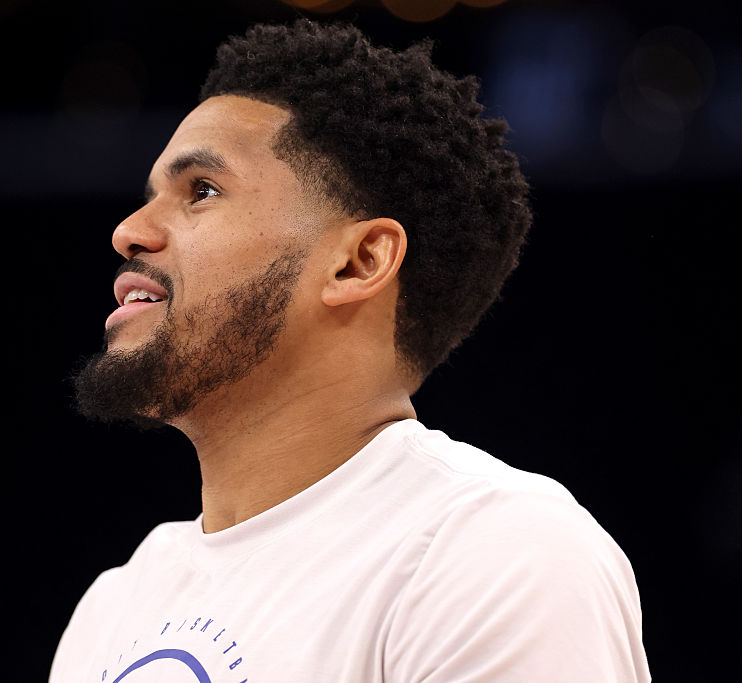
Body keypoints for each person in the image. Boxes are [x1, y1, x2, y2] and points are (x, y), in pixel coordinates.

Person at [53, 20, 651, 683]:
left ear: (357, 262)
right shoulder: (113, 610)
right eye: (148, 199)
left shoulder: (491, 552)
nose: (129, 231)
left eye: (201, 190)